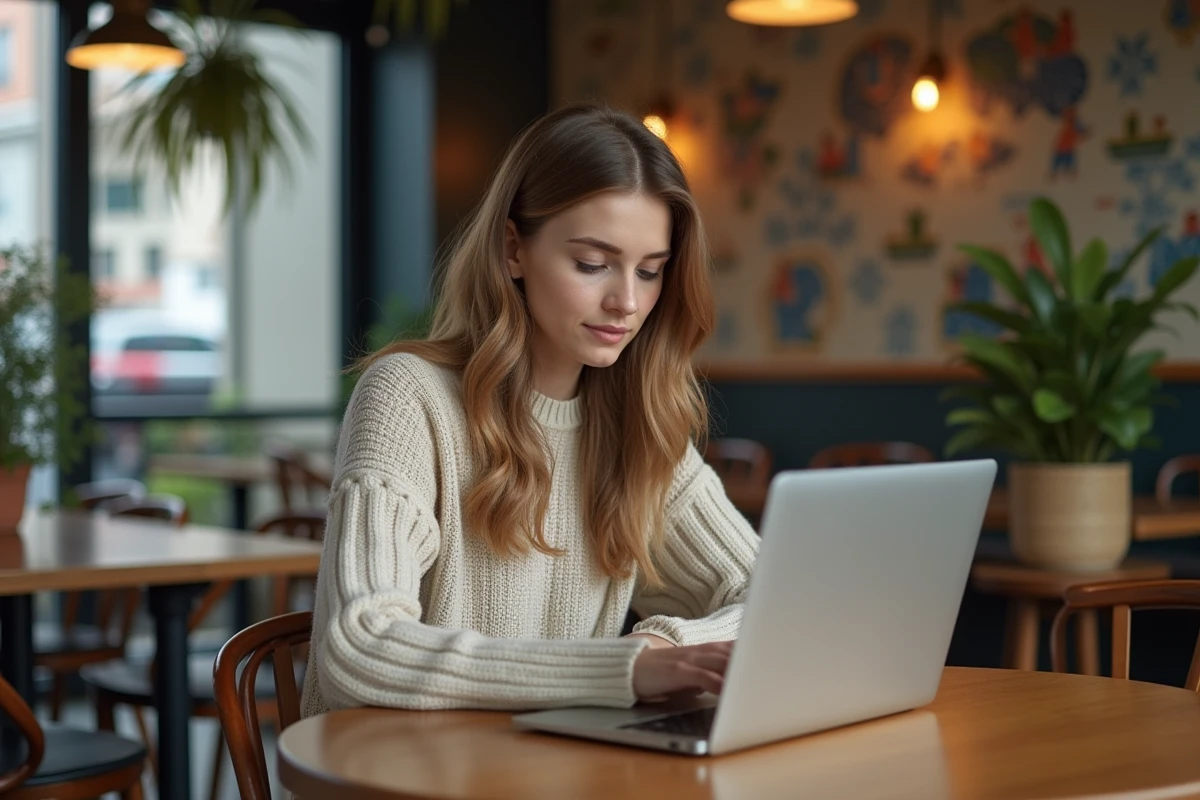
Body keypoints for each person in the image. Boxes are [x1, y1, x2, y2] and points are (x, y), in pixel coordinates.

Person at [300, 103, 760, 717]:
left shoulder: (638, 426)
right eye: (592, 264)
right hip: (392, 763)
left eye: (651, 272)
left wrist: (659, 647)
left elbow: (772, 594)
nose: (626, 301)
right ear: (513, 249)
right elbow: (358, 648)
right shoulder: (408, 397)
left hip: (552, 760)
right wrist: (621, 671)